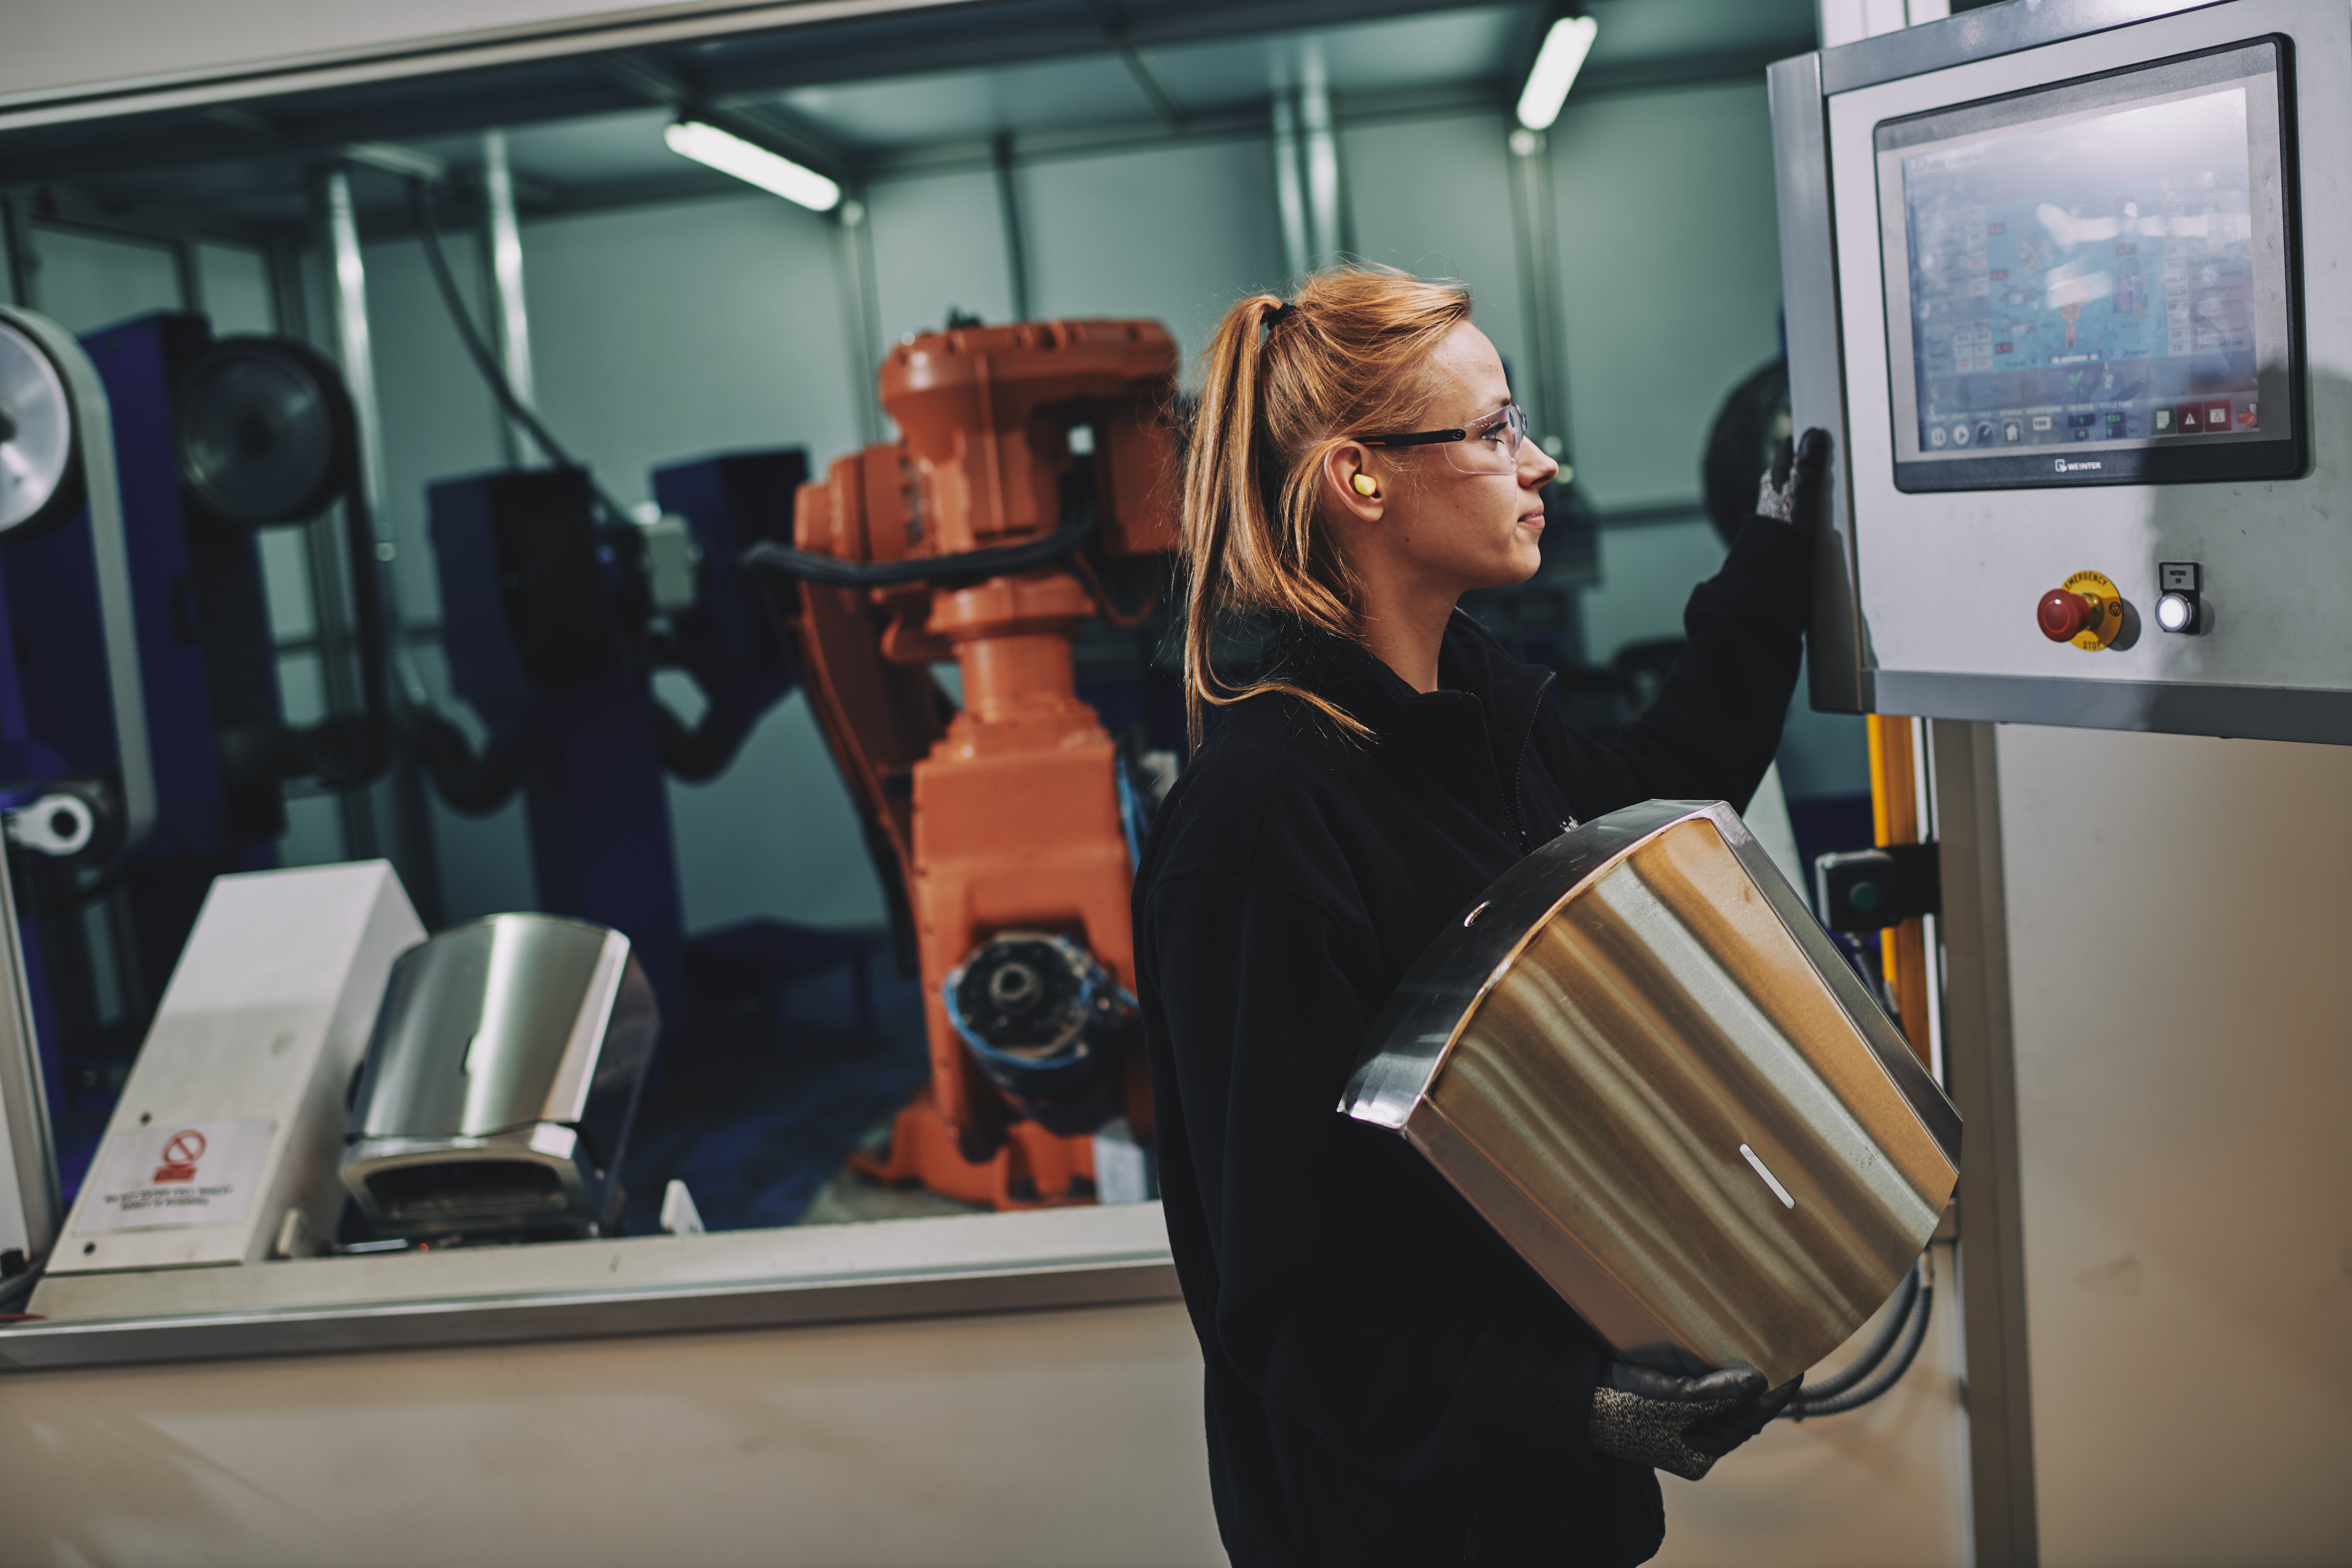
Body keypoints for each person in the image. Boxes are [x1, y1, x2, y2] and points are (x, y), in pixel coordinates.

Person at [1132, 265, 1829, 1566]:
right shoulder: (1262, 825)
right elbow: (1290, 1294)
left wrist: (1779, 557)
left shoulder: (1471, 718)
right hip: (1396, 1529)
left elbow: (1648, 796)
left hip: (1552, 1513)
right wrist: (1581, 1404)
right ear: (1362, 477)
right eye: (1496, 427)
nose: (1541, 462)